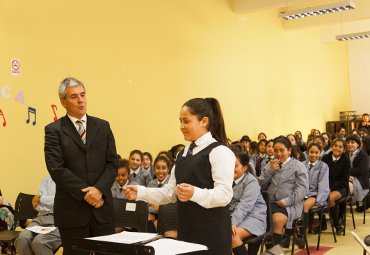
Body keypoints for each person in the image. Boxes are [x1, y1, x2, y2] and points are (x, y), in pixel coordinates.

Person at [125, 97, 235, 255]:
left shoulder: (220, 152)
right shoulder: (183, 154)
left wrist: (194, 193)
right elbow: (171, 192)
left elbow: (225, 194)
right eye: (180, 121)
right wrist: (141, 192)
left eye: (186, 121)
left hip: (213, 233)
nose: (181, 126)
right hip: (187, 230)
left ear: (204, 121)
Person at [44, 77, 118, 255]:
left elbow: (112, 162)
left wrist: (99, 190)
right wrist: (87, 193)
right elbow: (56, 169)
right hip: (72, 213)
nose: (81, 100)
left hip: (102, 209)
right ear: (63, 102)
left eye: (83, 95)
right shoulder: (54, 130)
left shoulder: (102, 126)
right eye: (74, 96)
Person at [258, 136, 308, 249]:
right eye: (276, 151)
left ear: (289, 150)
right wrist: (270, 170)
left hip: (289, 204)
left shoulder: (298, 166)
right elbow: (260, 185)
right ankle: (270, 250)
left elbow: (302, 189)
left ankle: (273, 251)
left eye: (282, 150)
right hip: (269, 203)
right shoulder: (270, 164)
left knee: (276, 220)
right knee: (256, 218)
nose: (278, 153)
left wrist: (287, 201)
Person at [229, 146, 267, 255]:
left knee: (231, 236)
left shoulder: (251, 182)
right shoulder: (227, 180)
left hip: (254, 216)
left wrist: (233, 222)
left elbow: (245, 206)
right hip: (235, 215)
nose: (231, 168)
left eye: (235, 166)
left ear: (245, 168)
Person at [14, 175, 62, 255]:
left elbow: (64, 201)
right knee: (22, 238)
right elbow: (38, 205)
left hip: (61, 219)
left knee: (39, 242)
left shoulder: (72, 179)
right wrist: (52, 200)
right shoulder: (46, 179)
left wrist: (42, 199)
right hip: (41, 217)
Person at [296, 143, 329, 248]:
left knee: (304, 206)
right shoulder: (301, 164)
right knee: (291, 205)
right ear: (307, 153)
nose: (313, 155)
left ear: (320, 153)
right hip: (301, 193)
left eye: (316, 152)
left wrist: (319, 202)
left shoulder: (323, 166)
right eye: (311, 152)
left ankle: (301, 236)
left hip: (315, 194)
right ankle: (290, 233)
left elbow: (323, 185)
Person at [321, 138, 350, 234]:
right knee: (316, 197)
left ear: (344, 149)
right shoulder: (325, 158)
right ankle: (323, 224)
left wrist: (330, 188)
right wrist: (325, 187)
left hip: (341, 187)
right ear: (332, 146)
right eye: (335, 146)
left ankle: (337, 226)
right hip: (326, 187)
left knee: (329, 198)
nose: (337, 148)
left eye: (340, 147)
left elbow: (344, 179)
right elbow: (321, 175)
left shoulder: (346, 160)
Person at [346, 134, 370, 212]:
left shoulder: (363, 154)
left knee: (345, 186)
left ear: (358, 144)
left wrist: (347, 173)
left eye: (352, 142)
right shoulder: (346, 154)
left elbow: (360, 170)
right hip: (349, 177)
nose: (350, 144)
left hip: (360, 179)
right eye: (348, 142)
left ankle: (341, 208)